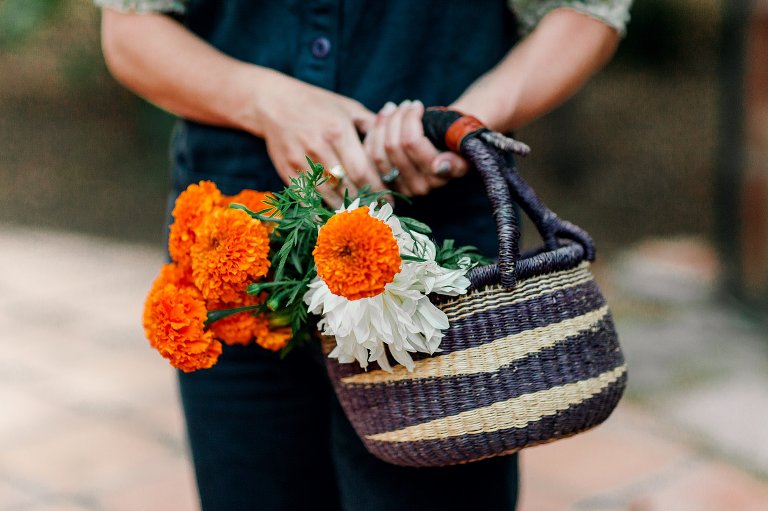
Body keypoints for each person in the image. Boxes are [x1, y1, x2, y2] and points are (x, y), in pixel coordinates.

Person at [96, 1, 631, 509]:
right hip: (239, 253)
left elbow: (585, 11)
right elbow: (131, 29)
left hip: (437, 256)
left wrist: (464, 121)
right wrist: (266, 100)